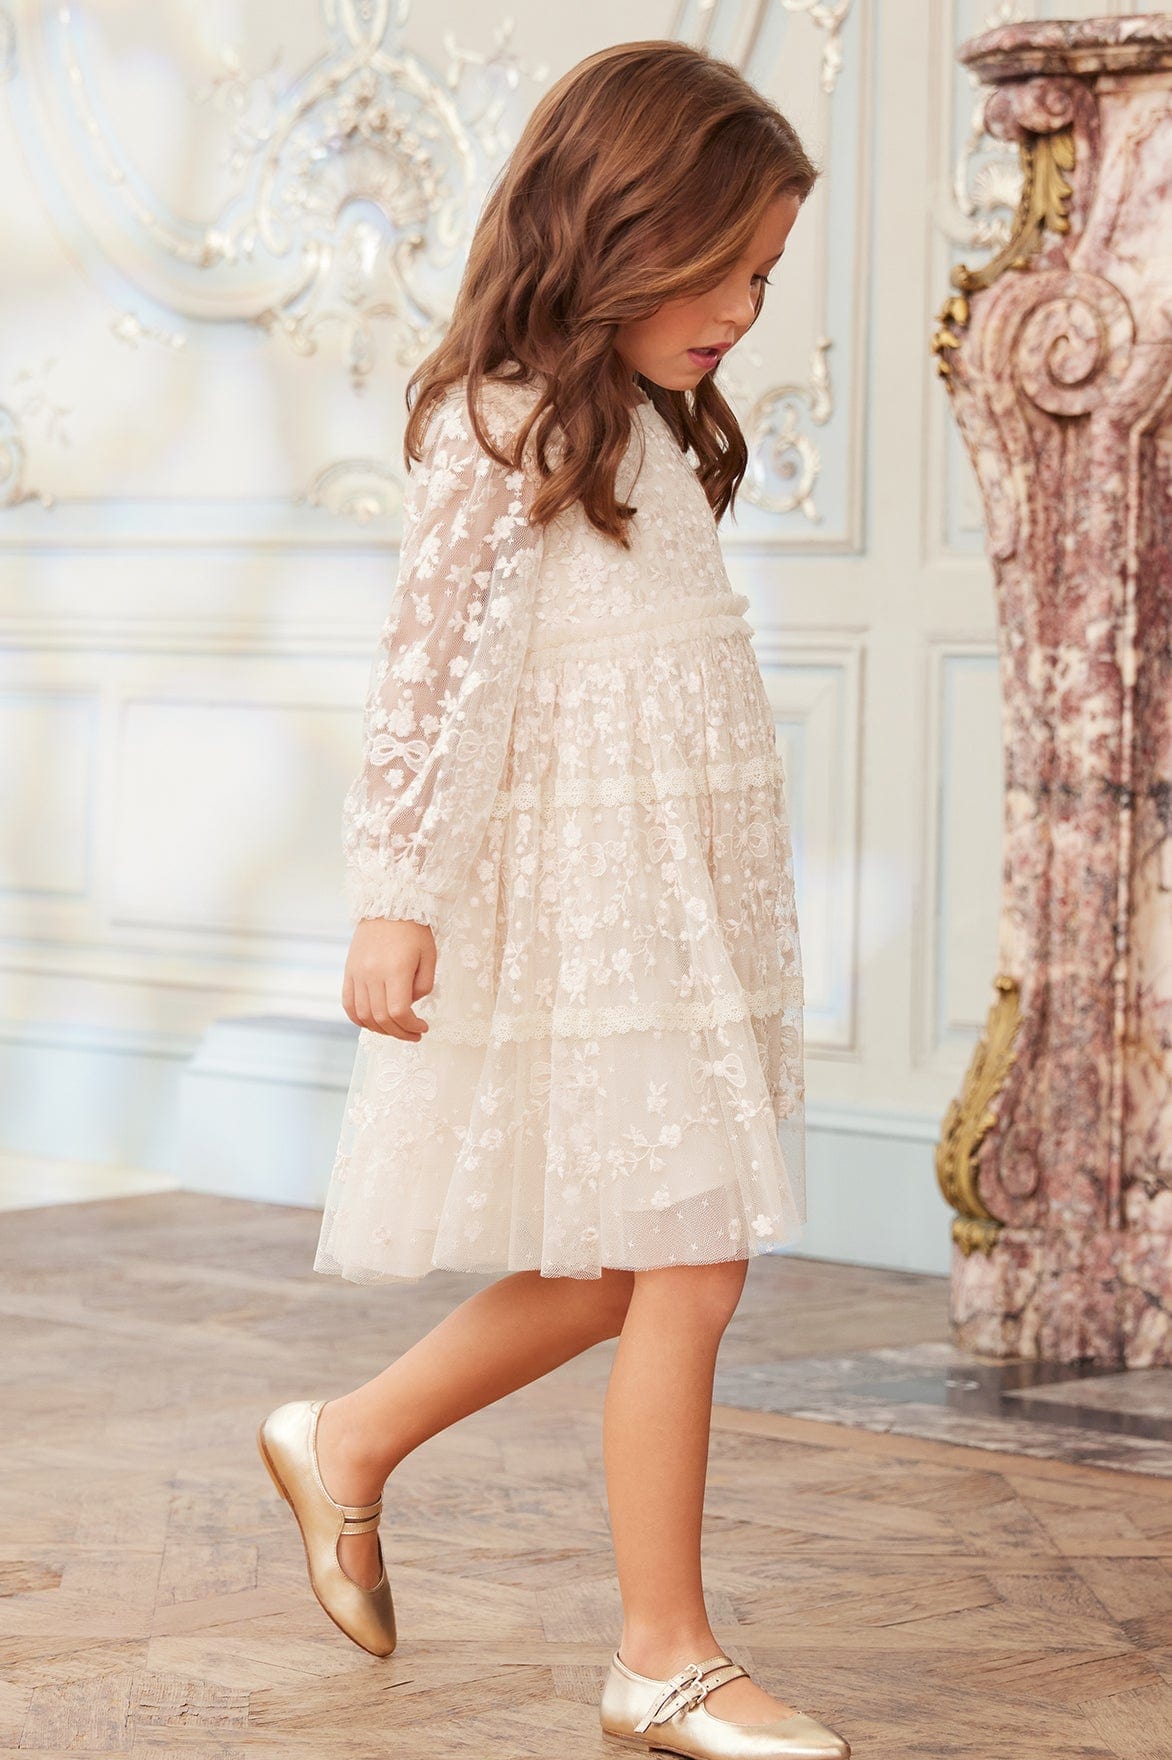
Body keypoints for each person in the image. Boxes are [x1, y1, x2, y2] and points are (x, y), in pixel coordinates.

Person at [258, 37, 850, 1760]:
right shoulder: (502, 423)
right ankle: (662, 1654)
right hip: (592, 909)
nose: (742, 309)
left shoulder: (646, 425)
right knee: (687, 1260)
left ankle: (346, 1442)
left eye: (764, 277)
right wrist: (396, 896)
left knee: (619, 1270)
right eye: (720, 267)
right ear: (612, 228)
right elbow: (432, 680)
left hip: (678, 903)